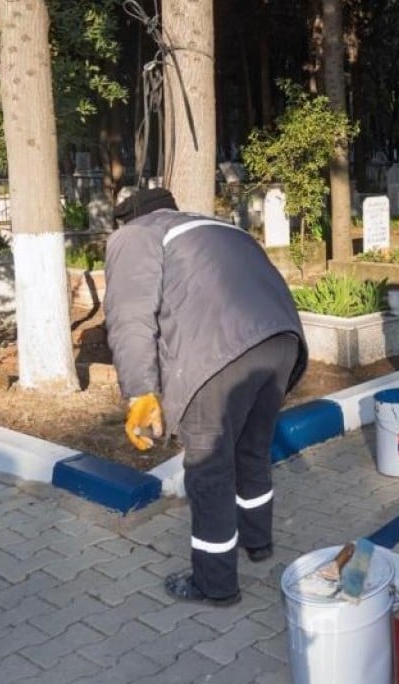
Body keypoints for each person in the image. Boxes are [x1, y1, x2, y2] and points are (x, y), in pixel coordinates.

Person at [104, 187, 308, 607]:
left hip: (218, 355)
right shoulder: (217, 227)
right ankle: (258, 542)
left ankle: (215, 584)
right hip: (280, 341)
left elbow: (130, 318)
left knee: (209, 468)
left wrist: (141, 392)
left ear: (130, 218)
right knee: (252, 450)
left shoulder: (136, 234)